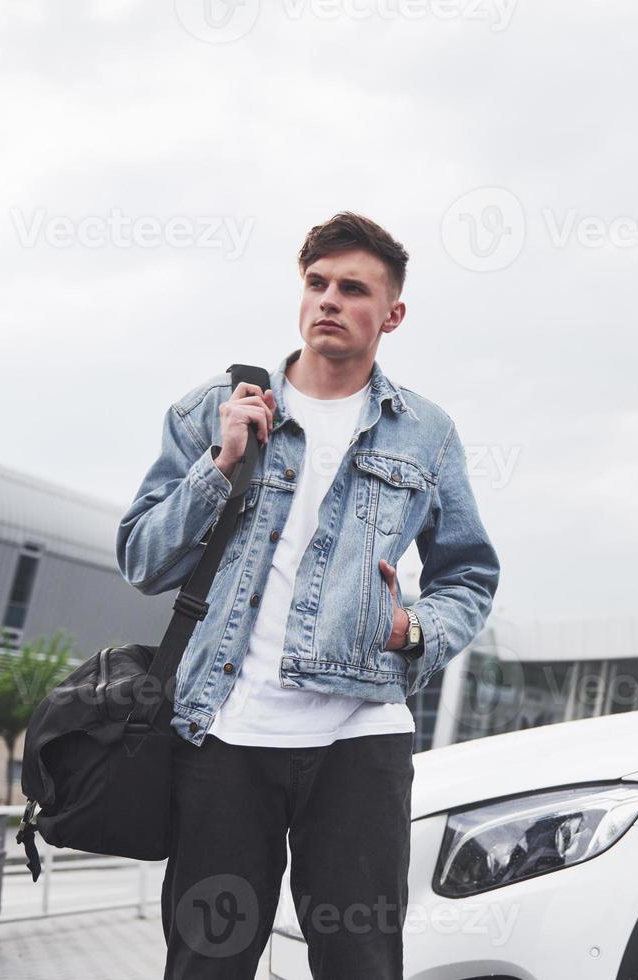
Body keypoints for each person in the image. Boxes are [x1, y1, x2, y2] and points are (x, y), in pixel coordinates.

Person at [115, 211, 500, 979]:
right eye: (316, 283)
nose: (328, 299)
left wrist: (413, 628)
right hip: (223, 733)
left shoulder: (425, 432)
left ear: (390, 314)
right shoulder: (214, 410)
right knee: (206, 962)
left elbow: (468, 573)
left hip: (360, 737)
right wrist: (220, 467)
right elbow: (141, 559)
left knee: (360, 960)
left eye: (351, 288)